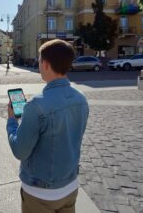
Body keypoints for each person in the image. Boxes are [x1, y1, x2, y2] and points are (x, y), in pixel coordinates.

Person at [6, 39, 89, 213]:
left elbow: (20, 151)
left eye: (39, 61)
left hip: (40, 193)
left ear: (45, 64)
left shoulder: (36, 105)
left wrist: (12, 121)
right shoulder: (81, 99)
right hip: (70, 186)